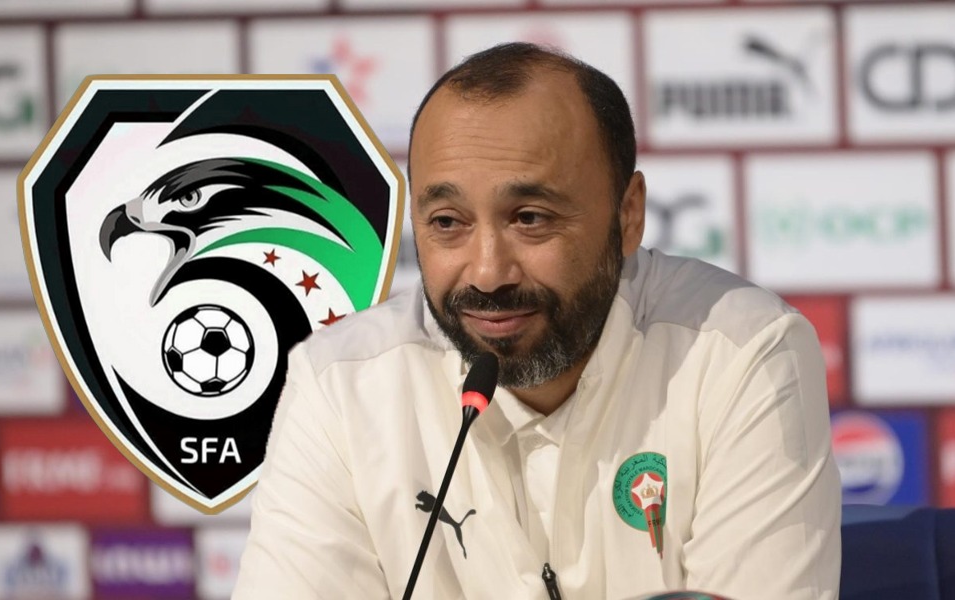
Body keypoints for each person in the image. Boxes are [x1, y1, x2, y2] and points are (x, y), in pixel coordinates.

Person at [234, 42, 841, 599]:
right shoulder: (339, 386)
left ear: (628, 215)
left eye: (529, 218)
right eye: (447, 222)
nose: (487, 273)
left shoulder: (741, 353)